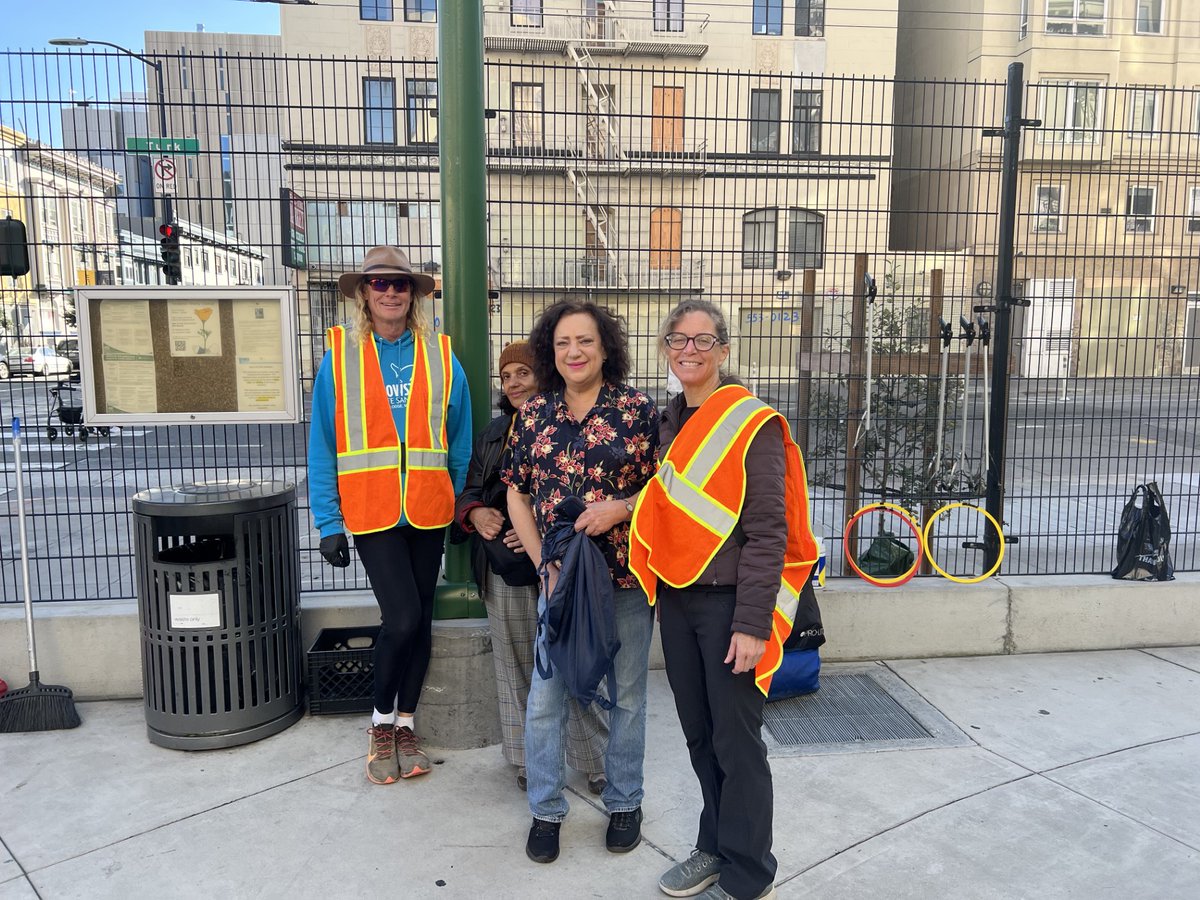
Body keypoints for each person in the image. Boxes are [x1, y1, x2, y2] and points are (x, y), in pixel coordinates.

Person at [628, 299, 819, 900]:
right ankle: (713, 846)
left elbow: (768, 530)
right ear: (666, 348)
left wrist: (753, 624)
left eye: (703, 340)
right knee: (699, 734)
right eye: (678, 339)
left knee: (737, 742)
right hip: (678, 600)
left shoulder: (751, 422)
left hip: (732, 605)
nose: (689, 350)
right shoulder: (668, 422)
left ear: (723, 350)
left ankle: (748, 874)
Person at [308, 246, 472, 785]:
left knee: (420, 622)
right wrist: (328, 521)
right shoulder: (340, 356)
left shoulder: (441, 355)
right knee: (400, 618)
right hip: (372, 512)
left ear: (414, 294)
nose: (391, 292)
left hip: (428, 510)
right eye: (379, 283)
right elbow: (323, 444)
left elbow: (460, 440)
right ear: (364, 293)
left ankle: (406, 725)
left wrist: (460, 504)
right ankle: (380, 724)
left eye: (400, 284)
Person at [503, 299, 659, 865]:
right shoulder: (535, 413)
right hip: (561, 584)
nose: (575, 352)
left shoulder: (637, 411)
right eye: (564, 342)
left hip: (626, 581)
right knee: (547, 698)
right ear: (551, 351)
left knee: (628, 697)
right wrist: (543, 562)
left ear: (605, 347)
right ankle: (546, 811)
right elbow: (516, 491)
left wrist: (623, 506)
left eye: (585, 341)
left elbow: (666, 488)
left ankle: (625, 802)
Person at [452, 340, 609, 795]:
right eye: (506, 376)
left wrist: (536, 529)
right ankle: (528, 759)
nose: (514, 383)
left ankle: (597, 759)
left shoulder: (573, 423)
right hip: (507, 568)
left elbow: (589, 493)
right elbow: (469, 490)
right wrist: (476, 513)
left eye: (523, 372)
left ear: (544, 374)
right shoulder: (494, 433)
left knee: (578, 660)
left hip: (566, 561)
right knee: (518, 666)